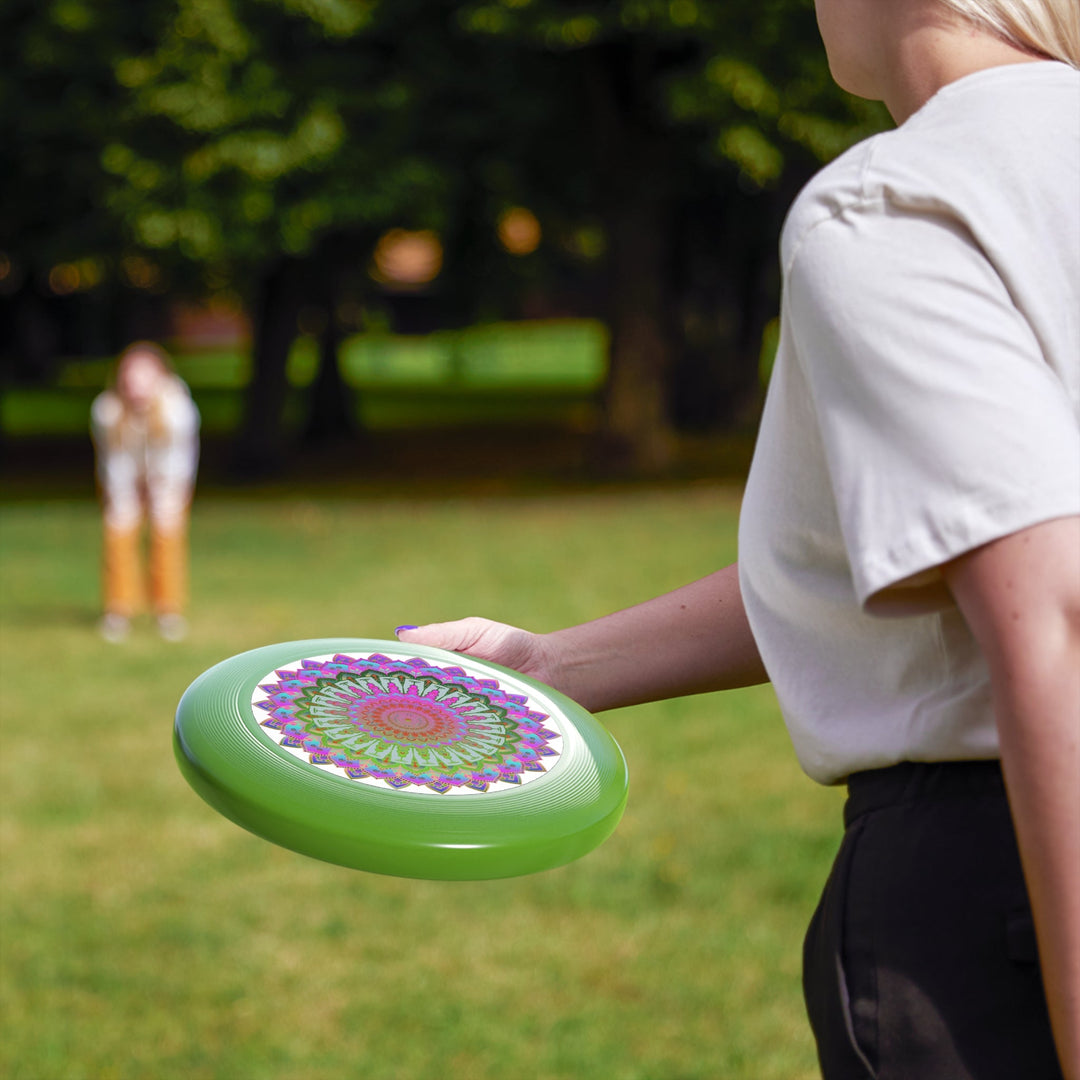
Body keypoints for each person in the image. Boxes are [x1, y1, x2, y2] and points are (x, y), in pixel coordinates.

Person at [395, 1, 1080, 1077]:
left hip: (1004, 888)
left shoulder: (899, 201)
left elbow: (1054, 614)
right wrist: (549, 666)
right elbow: (911, 554)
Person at [91, 341, 200, 642]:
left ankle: (168, 610)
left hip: (168, 479)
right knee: (118, 531)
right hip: (123, 478)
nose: (136, 385)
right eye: (130, 376)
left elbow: (177, 460)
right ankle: (118, 610)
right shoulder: (107, 410)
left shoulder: (178, 410)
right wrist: (126, 495)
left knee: (167, 535)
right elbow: (114, 460)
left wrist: (160, 492)